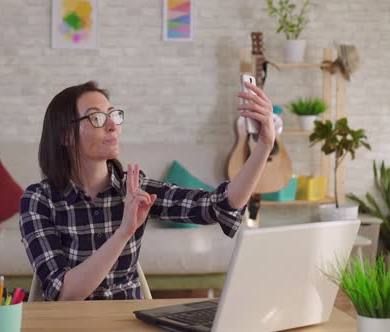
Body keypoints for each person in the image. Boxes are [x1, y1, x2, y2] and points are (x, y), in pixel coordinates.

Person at [19, 81, 275, 301]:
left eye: (114, 114)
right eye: (96, 117)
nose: (112, 125)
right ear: (66, 135)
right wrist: (124, 231)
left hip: (128, 319)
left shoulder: (135, 188)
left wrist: (264, 145)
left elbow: (220, 204)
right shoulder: (39, 201)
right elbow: (64, 293)